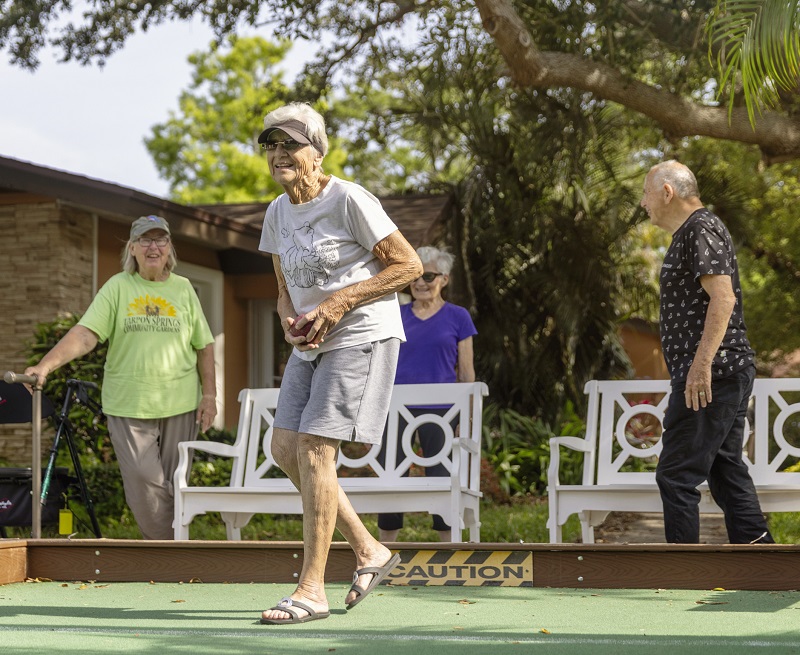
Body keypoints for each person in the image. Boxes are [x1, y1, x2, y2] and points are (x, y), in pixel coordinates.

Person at [256, 102, 423, 625]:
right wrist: (289, 317)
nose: (280, 154)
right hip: (310, 342)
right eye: (272, 145)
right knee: (285, 448)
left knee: (314, 449)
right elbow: (284, 289)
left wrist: (337, 303)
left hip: (360, 335)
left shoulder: (348, 198)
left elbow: (409, 265)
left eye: (291, 145)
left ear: (317, 150)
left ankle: (311, 590)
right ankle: (371, 551)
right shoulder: (276, 212)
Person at [24, 215, 217, 540]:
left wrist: (210, 396)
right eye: (145, 240)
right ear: (132, 248)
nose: (153, 247)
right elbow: (86, 335)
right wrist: (44, 366)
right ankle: (172, 552)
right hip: (128, 404)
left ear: (169, 248)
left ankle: (175, 553)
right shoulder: (118, 287)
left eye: (160, 240)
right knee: (143, 483)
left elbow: (204, 345)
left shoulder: (183, 289)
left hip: (181, 402)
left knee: (175, 483)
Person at [640, 160, 773, 544]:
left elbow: (723, 297)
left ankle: (685, 574)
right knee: (725, 471)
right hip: (721, 371)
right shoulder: (692, 231)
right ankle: (762, 564)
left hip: (713, 373)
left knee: (676, 472)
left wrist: (700, 368)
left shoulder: (699, 227)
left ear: (667, 191)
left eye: (647, 193)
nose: (644, 203)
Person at [377, 246, 477, 542]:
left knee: (441, 476)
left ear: (444, 279)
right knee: (391, 475)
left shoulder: (458, 317)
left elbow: (467, 373)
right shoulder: (394, 315)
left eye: (428, 275)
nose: (421, 282)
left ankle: (447, 548)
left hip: (443, 409)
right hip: (394, 410)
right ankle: (384, 549)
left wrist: (467, 416)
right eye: (415, 276)